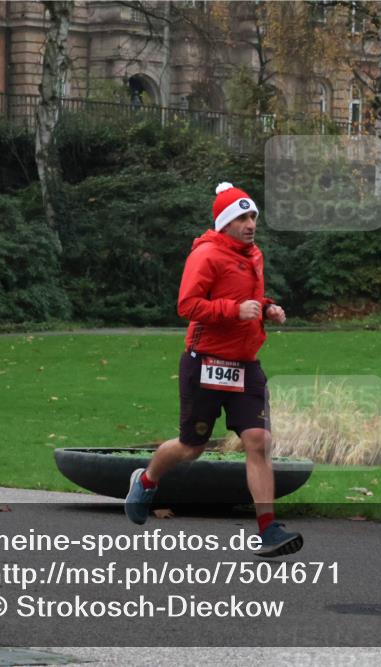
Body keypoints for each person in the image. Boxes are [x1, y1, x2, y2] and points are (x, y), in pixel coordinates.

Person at [124, 182, 303, 558]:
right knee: (191, 448)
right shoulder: (206, 254)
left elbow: (247, 297)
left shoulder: (254, 254)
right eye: (242, 218)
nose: (250, 224)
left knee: (259, 441)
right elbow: (187, 305)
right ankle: (146, 480)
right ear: (225, 222)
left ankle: (268, 530)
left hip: (245, 365)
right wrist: (234, 311)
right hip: (205, 362)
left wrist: (266, 307)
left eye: (253, 216)